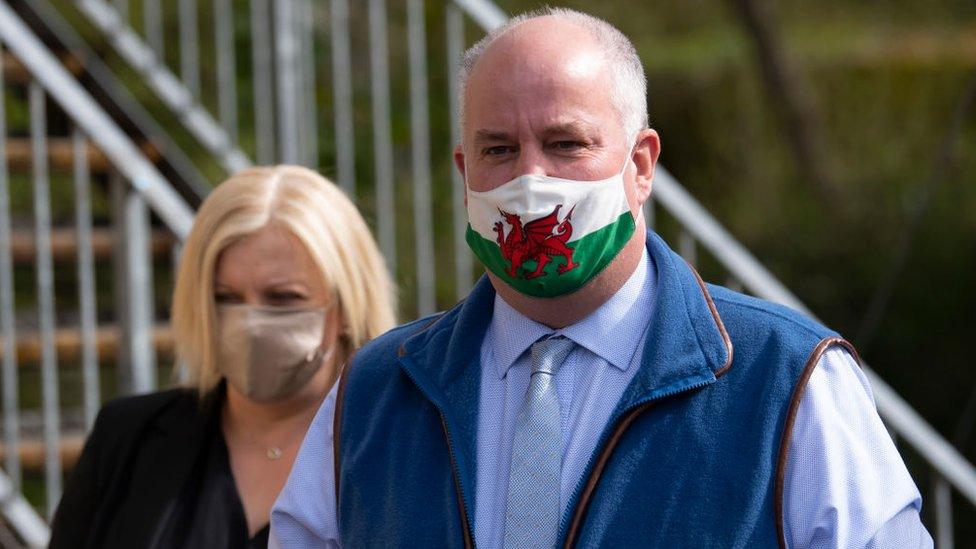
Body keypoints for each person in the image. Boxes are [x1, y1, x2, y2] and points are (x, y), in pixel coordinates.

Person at [271, 9, 931, 548]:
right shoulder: (374, 393)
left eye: (566, 144)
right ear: (464, 170)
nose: (532, 180)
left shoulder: (785, 383)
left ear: (641, 165)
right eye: (498, 149)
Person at [49, 165, 396, 549]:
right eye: (226, 298)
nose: (250, 323)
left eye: (282, 298)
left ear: (346, 306)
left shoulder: (398, 451)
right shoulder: (128, 438)